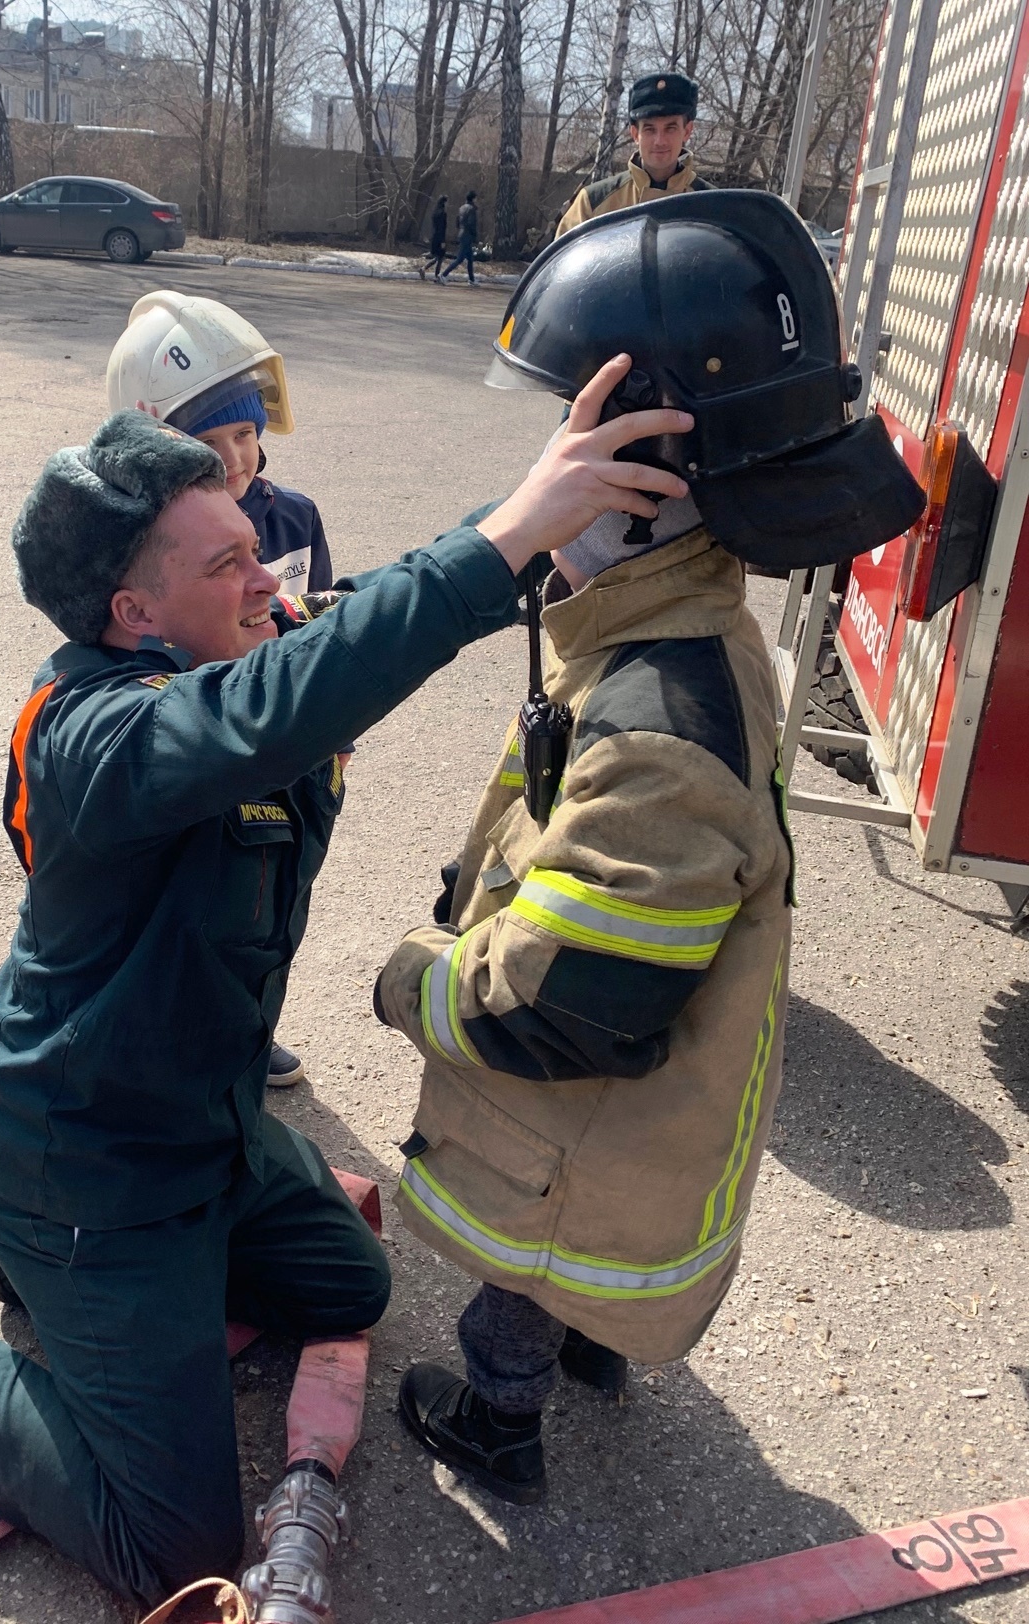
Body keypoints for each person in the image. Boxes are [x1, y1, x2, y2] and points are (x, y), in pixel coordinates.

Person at [0, 380, 695, 1609]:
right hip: (88, 1170)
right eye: (228, 562)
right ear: (135, 612)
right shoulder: (93, 738)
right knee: (175, 1549)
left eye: (258, 542)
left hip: (205, 1134)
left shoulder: (244, 657)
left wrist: (549, 505)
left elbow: (353, 627)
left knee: (351, 1287)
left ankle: (85, 1297)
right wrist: (500, 543)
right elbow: (273, 709)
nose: (269, 577)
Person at [377, 190, 925, 1504]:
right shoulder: (674, 631)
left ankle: (502, 1416)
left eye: (563, 454)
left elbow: (577, 1002)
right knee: (581, 1226)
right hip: (621, 1123)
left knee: (535, 1258)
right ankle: (590, 1346)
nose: (534, 488)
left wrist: (413, 981)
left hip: (587, 1131)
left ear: (636, 491)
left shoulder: (656, 720)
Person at [107, 290, 334, 1087]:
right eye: (209, 441)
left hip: (286, 753)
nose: (235, 459)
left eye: (245, 433)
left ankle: (252, 1026)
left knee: (274, 904)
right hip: (198, 761)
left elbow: (323, 630)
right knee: (191, 907)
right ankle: (168, 1044)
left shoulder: (294, 517)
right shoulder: (139, 547)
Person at [556, 72, 711, 238]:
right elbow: (561, 261)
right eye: (650, 129)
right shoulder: (592, 203)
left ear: (687, 131)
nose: (660, 141)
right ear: (635, 134)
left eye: (670, 129)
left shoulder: (713, 205)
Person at [438, 190, 479, 284]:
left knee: (470, 258)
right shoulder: (472, 209)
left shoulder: (462, 208)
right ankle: (443, 275)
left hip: (461, 233)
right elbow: (471, 223)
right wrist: (475, 235)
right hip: (467, 235)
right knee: (460, 258)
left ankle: (472, 279)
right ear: (473, 198)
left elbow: (457, 221)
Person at [420, 195, 449, 280]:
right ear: (444, 202)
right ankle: (437, 276)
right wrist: (443, 241)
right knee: (440, 257)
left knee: (437, 257)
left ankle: (423, 268)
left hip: (434, 236)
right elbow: (442, 228)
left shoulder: (435, 212)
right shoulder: (443, 213)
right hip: (440, 238)